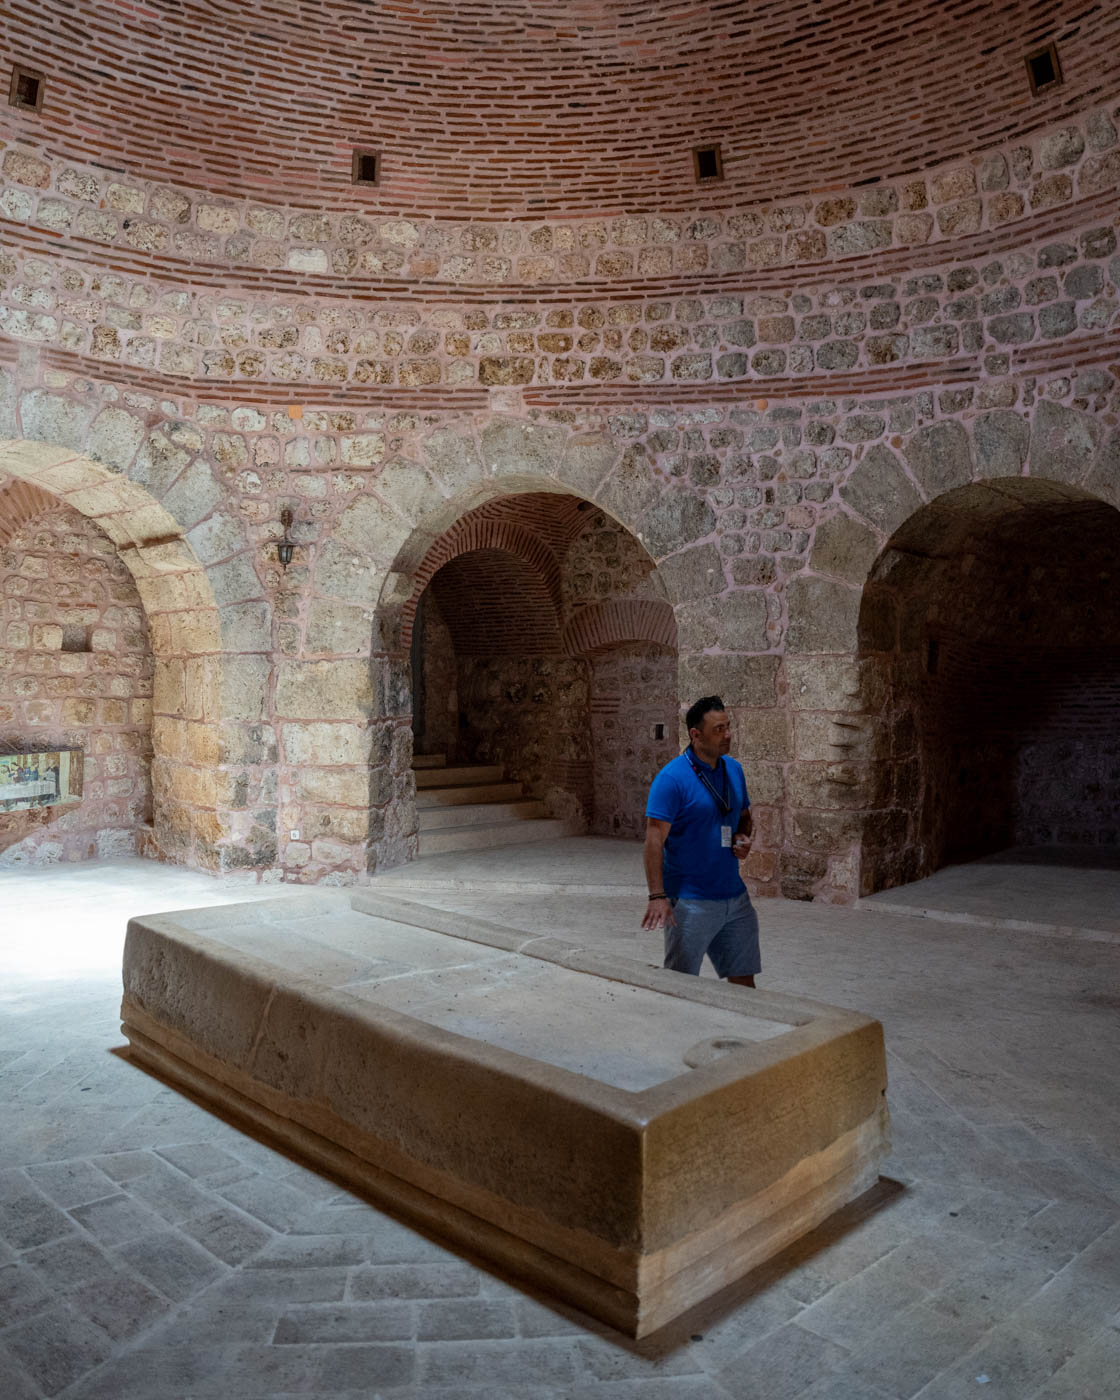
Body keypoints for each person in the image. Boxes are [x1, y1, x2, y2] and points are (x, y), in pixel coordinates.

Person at [641, 695, 760, 987]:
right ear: (696, 735)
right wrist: (657, 896)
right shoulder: (672, 779)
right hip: (690, 901)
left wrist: (744, 836)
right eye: (718, 729)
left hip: (735, 897)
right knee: (681, 985)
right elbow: (654, 839)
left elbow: (743, 814)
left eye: (728, 727)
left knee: (745, 982)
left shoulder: (733, 769)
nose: (728, 734)